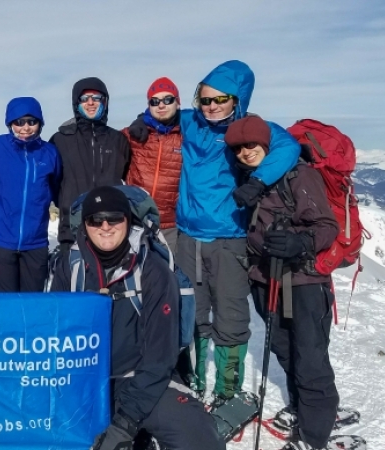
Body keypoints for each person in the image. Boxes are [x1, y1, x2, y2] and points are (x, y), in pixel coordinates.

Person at [129, 60, 301, 407]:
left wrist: (257, 181)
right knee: (193, 311)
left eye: (220, 99)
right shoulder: (191, 121)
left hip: (229, 238)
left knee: (231, 317)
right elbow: (163, 111)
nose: (211, 106)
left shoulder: (248, 129)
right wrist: (142, 120)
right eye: (205, 99)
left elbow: (287, 146)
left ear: (237, 99)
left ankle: (226, 390)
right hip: (188, 236)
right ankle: (193, 381)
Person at [49, 186, 223, 450]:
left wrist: (124, 423)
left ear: (128, 221)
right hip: (82, 382)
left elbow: (159, 359)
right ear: (85, 224)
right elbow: (52, 335)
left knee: (199, 439)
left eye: (114, 218)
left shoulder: (154, 272)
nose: (105, 226)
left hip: (140, 378)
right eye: (95, 220)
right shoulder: (68, 268)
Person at [225, 116, 340, 450]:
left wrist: (300, 243)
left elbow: (326, 226)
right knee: (285, 350)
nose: (246, 153)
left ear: (266, 144)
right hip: (265, 277)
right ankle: (303, 408)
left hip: (304, 280)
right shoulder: (249, 179)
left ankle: (314, 436)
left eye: (252, 145)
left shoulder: (299, 174)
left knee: (310, 356)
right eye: (239, 148)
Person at [0, 97, 61, 292]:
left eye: (32, 122)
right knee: (2, 304)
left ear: (40, 123)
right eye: (19, 122)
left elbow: (57, 187)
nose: (25, 127)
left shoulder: (49, 153)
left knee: (31, 305)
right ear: (10, 123)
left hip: (35, 241)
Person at [50, 77, 130, 249]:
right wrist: (66, 204)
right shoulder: (61, 140)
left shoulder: (118, 140)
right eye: (84, 99)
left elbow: (128, 177)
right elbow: (52, 182)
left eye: (96, 98)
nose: (91, 103)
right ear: (76, 103)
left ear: (105, 101)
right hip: (72, 228)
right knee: (73, 275)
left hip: (109, 228)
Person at [122, 76, 183, 253]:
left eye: (167, 99)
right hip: (136, 220)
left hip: (171, 225)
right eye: (155, 101)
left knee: (168, 275)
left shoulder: (187, 135)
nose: (161, 105)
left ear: (178, 103)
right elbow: (103, 139)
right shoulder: (133, 134)